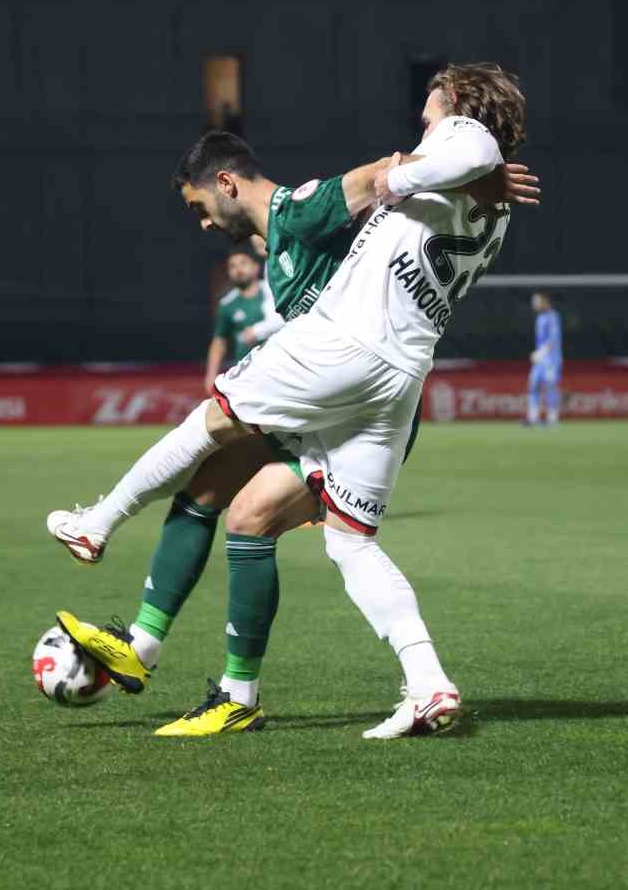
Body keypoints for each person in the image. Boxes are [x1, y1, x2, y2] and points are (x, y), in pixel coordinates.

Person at [48, 64, 532, 739]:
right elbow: (468, 168)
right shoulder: (493, 206)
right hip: (399, 373)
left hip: (344, 348)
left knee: (212, 423)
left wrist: (412, 171)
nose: (424, 129)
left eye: (430, 118)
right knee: (337, 540)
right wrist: (466, 175)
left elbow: (466, 149)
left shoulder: (453, 146)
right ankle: (427, 685)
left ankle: (97, 523)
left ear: (455, 108)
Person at [202, 247, 281, 396]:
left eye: (243, 263)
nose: (238, 269)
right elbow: (219, 341)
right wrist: (210, 375)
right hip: (247, 373)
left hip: (279, 367)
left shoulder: (273, 293)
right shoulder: (227, 304)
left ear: (256, 267)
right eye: (232, 266)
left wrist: (258, 330)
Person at [526, 292, 563, 426]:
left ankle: (552, 419)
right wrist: (539, 354)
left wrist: (541, 352)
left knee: (550, 386)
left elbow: (553, 338)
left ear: (545, 301)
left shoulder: (553, 317)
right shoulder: (540, 318)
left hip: (552, 359)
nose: (534, 305)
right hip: (541, 359)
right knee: (533, 384)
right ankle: (533, 418)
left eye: (537, 302)